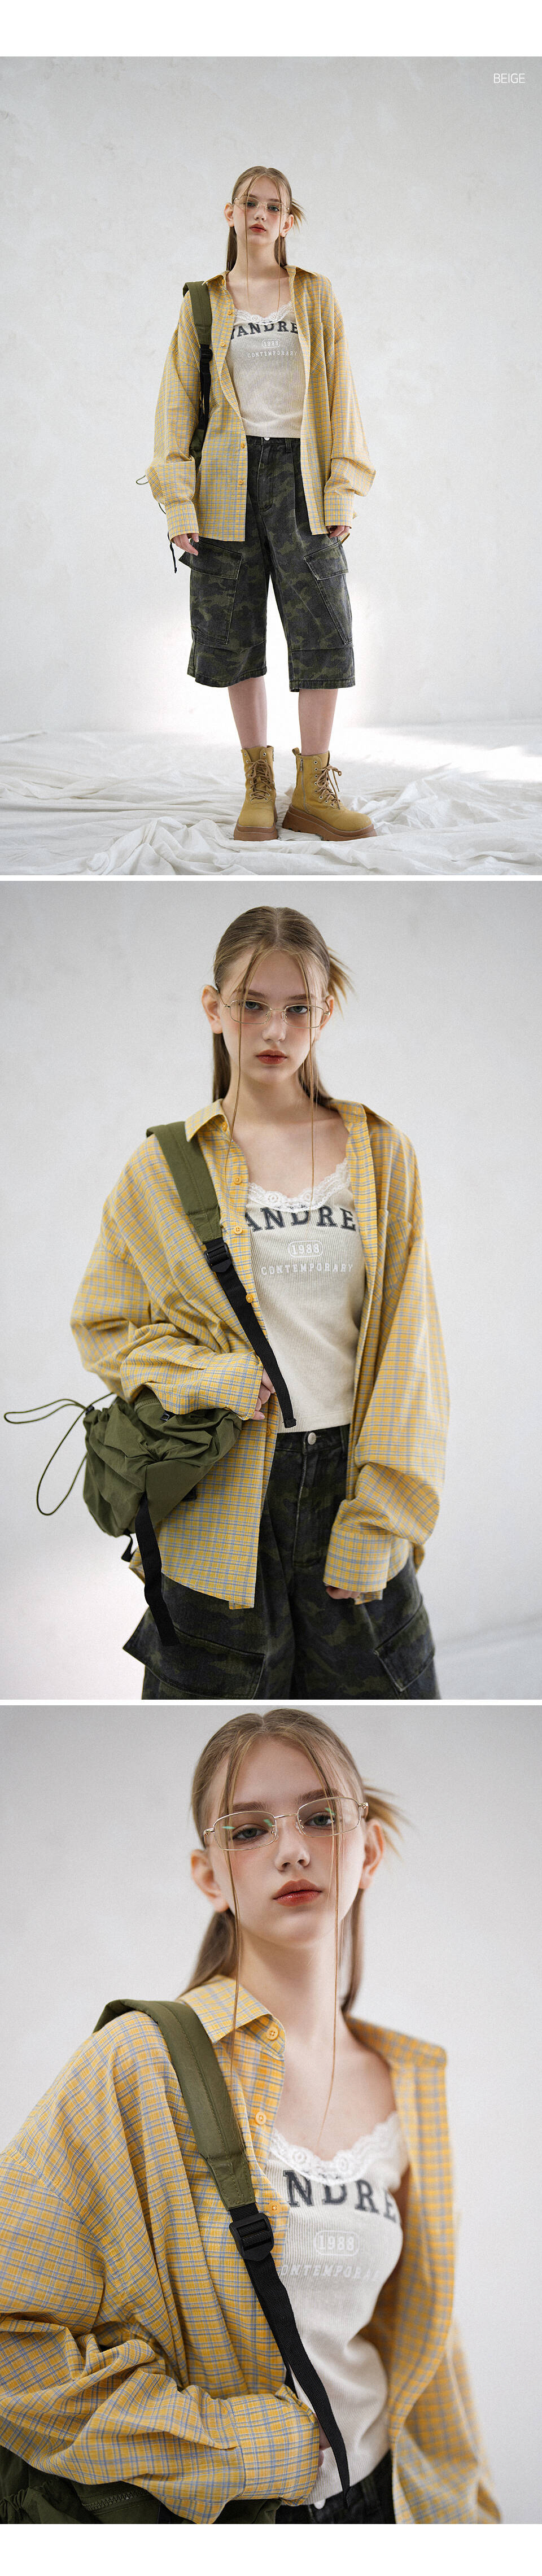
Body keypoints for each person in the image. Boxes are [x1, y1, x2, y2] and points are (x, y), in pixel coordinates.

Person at [0, 1708, 499, 2525]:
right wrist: (246, 2449)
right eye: (249, 1829)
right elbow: (11, 2337)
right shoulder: (139, 2062)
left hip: (387, 2509)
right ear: (209, 1876)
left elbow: (425, 2357)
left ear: (368, 1850)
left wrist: (469, 2526)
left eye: (320, 1817)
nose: (292, 1848)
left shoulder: (409, 2082)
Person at [71, 903, 448, 1701]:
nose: (275, 1029)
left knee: (386, 1706)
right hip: (219, 1490)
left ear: (325, 1014)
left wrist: (381, 1516)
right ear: (214, 1008)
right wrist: (212, 1377)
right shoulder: (162, 1166)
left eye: (298, 1008)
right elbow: (105, 1326)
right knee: (210, 1720)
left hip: (351, 1480)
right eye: (252, 1004)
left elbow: (410, 1348)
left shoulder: (382, 1153)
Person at [146, 164, 377, 845]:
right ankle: (258, 785)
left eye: (274, 206)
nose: (260, 213)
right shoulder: (203, 302)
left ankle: (314, 791)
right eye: (250, 202)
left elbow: (340, 393)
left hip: (302, 479)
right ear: (231, 212)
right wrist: (179, 505)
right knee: (233, 633)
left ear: (288, 222)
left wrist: (342, 487)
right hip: (226, 481)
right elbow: (177, 405)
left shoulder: (314, 294)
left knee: (324, 628)